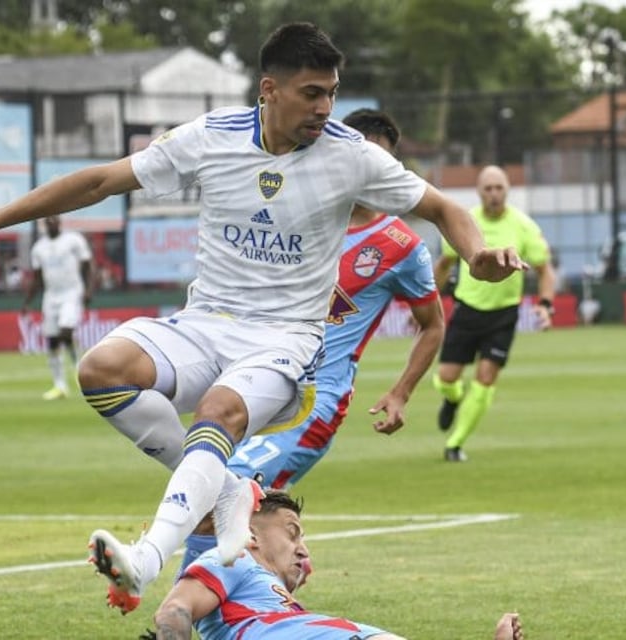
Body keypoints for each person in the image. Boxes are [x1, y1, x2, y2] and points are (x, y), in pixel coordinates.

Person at [0, 23, 525, 615]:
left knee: (219, 413)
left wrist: (477, 257)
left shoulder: (351, 155)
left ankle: (149, 557)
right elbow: (101, 181)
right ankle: (229, 492)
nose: (325, 107)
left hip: (287, 340)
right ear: (269, 89)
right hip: (205, 323)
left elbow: (443, 207)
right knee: (100, 368)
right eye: (312, 93)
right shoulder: (212, 136)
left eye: (332, 93)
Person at [177, 108, 445, 575]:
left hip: (315, 402)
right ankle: (241, 600)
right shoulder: (300, 217)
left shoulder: (400, 245)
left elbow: (433, 323)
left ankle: (183, 612)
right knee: (217, 489)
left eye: (379, 162)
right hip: (260, 383)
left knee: (230, 487)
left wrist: (401, 392)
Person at [145, 490, 525, 640]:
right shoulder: (232, 556)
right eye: (292, 533)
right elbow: (175, 609)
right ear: (252, 535)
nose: (303, 550)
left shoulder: (270, 604)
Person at [433, 165, 556, 462]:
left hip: (503, 315)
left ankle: (455, 444)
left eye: (499, 188)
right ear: (479, 192)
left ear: (507, 191)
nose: (494, 194)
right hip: (467, 310)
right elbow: (445, 264)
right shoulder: (466, 221)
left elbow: (544, 271)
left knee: (486, 378)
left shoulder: (524, 227)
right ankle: (453, 397)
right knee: (446, 378)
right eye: (488, 189)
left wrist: (545, 304)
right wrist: (428, 302)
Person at [21, 215, 94, 400]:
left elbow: (88, 266)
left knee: (66, 331)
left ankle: (81, 373)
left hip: (71, 292)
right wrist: (28, 302)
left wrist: (88, 290)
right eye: (48, 220)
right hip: (51, 296)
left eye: (55, 219)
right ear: (45, 224)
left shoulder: (73, 240)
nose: (52, 222)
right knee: (52, 341)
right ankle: (59, 386)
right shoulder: (39, 248)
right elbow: (37, 278)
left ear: (60, 221)